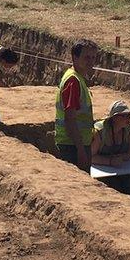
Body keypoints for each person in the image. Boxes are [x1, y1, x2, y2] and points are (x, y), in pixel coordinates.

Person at [54, 39, 98, 172]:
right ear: (75, 57)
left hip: (76, 143)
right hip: (72, 146)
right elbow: (70, 119)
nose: (91, 61)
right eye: (86, 57)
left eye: (93, 57)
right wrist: (81, 151)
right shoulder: (73, 81)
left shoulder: (77, 78)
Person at [91, 100, 130, 197]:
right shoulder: (99, 132)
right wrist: (110, 161)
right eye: (124, 115)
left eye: (129, 115)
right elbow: (89, 157)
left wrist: (119, 159)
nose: (129, 118)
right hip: (102, 173)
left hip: (123, 170)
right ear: (114, 118)